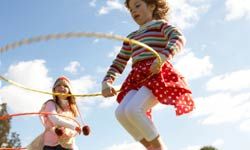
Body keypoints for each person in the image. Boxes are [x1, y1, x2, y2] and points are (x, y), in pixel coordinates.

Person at [101, 0, 195, 150]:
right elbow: (119, 61)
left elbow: (178, 38)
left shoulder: (161, 25)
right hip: (137, 78)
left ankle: (159, 147)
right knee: (121, 113)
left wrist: (163, 58)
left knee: (133, 110)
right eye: (131, 10)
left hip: (156, 74)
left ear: (152, 6)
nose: (133, 11)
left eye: (137, 6)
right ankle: (150, 147)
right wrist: (106, 82)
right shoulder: (131, 37)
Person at [41, 76, 81, 150]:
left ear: (69, 91)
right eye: (58, 85)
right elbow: (55, 119)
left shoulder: (71, 109)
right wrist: (74, 126)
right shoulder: (50, 103)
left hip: (67, 144)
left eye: (65, 86)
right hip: (51, 145)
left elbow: (73, 131)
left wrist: (74, 130)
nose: (62, 87)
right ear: (54, 89)